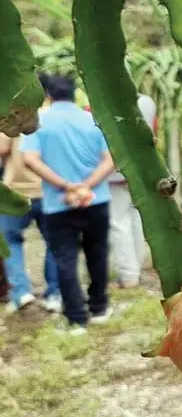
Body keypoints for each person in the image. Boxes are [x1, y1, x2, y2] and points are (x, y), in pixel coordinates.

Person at [21, 75, 116, 334]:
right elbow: (110, 160)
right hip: (97, 199)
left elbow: (30, 158)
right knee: (97, 254)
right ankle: (99, 308)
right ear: (74, 93)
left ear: (48, 95)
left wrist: (66, 186)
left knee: (65, 260)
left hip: (58, 203)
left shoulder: (39, 122)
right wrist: (86, 185)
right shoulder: (92, 119)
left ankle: (76, 319)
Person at [1, 129, 62, 314]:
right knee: (55, 243)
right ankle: (54, 294)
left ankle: (20, 292)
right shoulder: (51, 120)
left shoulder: (13, 119)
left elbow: (2, 148)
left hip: (17, 192)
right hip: (49, 191)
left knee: (10, 241)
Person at [107, 93, 156, 288]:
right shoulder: (147, 102)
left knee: (119, 223)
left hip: (115, 173)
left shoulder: (106, 102)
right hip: (143, 170)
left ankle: (129, 274)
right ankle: (137, 264)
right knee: (137, 218)